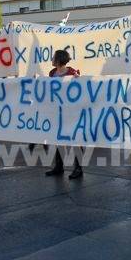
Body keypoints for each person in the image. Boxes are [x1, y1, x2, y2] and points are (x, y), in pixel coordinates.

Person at [45, 49, 83, 179]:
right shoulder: (52, 73)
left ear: (58, 60)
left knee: (75, 139)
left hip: (71, 111)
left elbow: (80, 88)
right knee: (58, 139)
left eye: (53, 57)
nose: (51, 59)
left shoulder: (72, 73)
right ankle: (59, 166)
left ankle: (78, 168)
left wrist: (78, 80)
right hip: (57, 111)